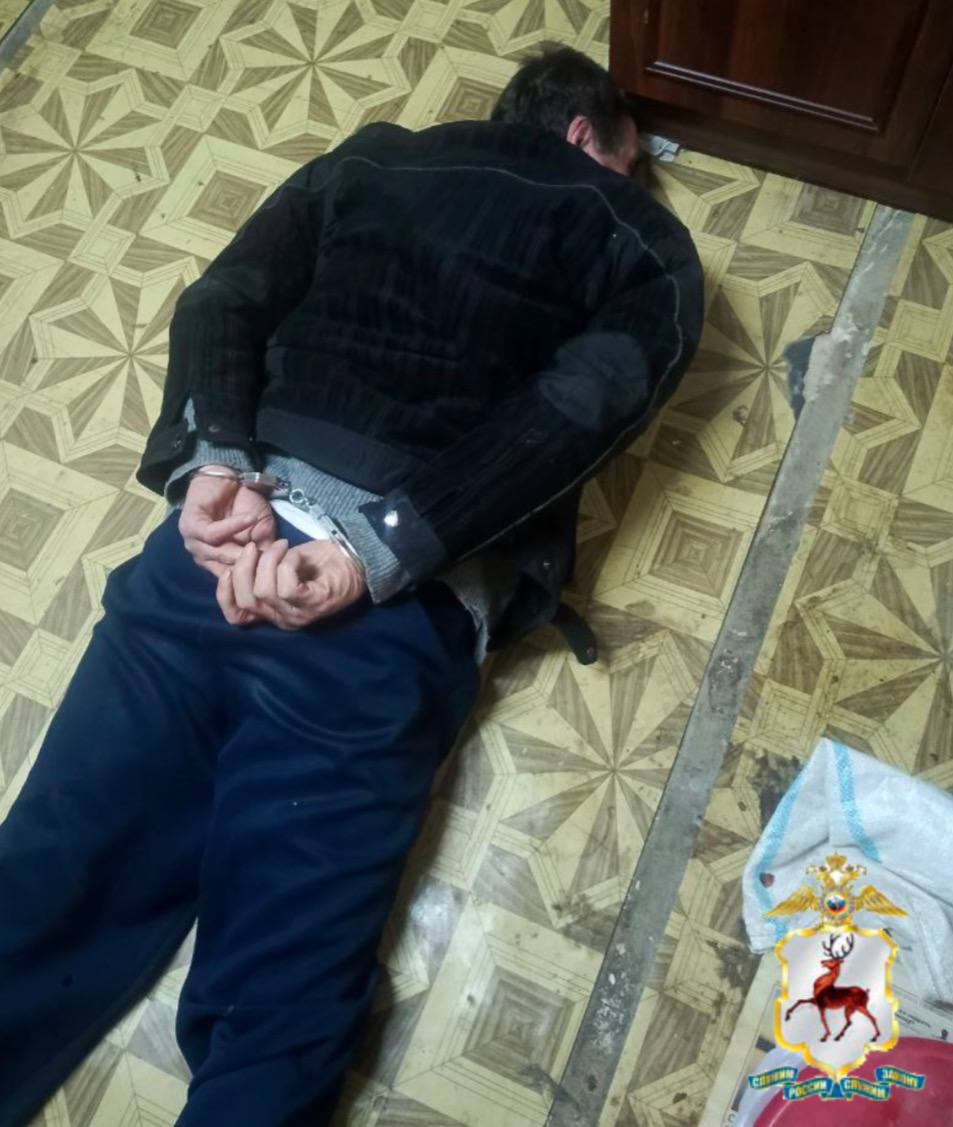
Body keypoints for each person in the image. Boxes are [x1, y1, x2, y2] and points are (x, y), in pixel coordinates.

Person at [0, 46, 702, 1127]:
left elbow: (224, 297)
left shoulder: (370, 158)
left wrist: (211, 463)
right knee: (273, 1013)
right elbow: (580, 401)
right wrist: (380, 546)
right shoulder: (634, 231)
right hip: (382, 619)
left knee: (37, 894)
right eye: (631, 161)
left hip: (204, 561)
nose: (633, 183)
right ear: (584, 136)